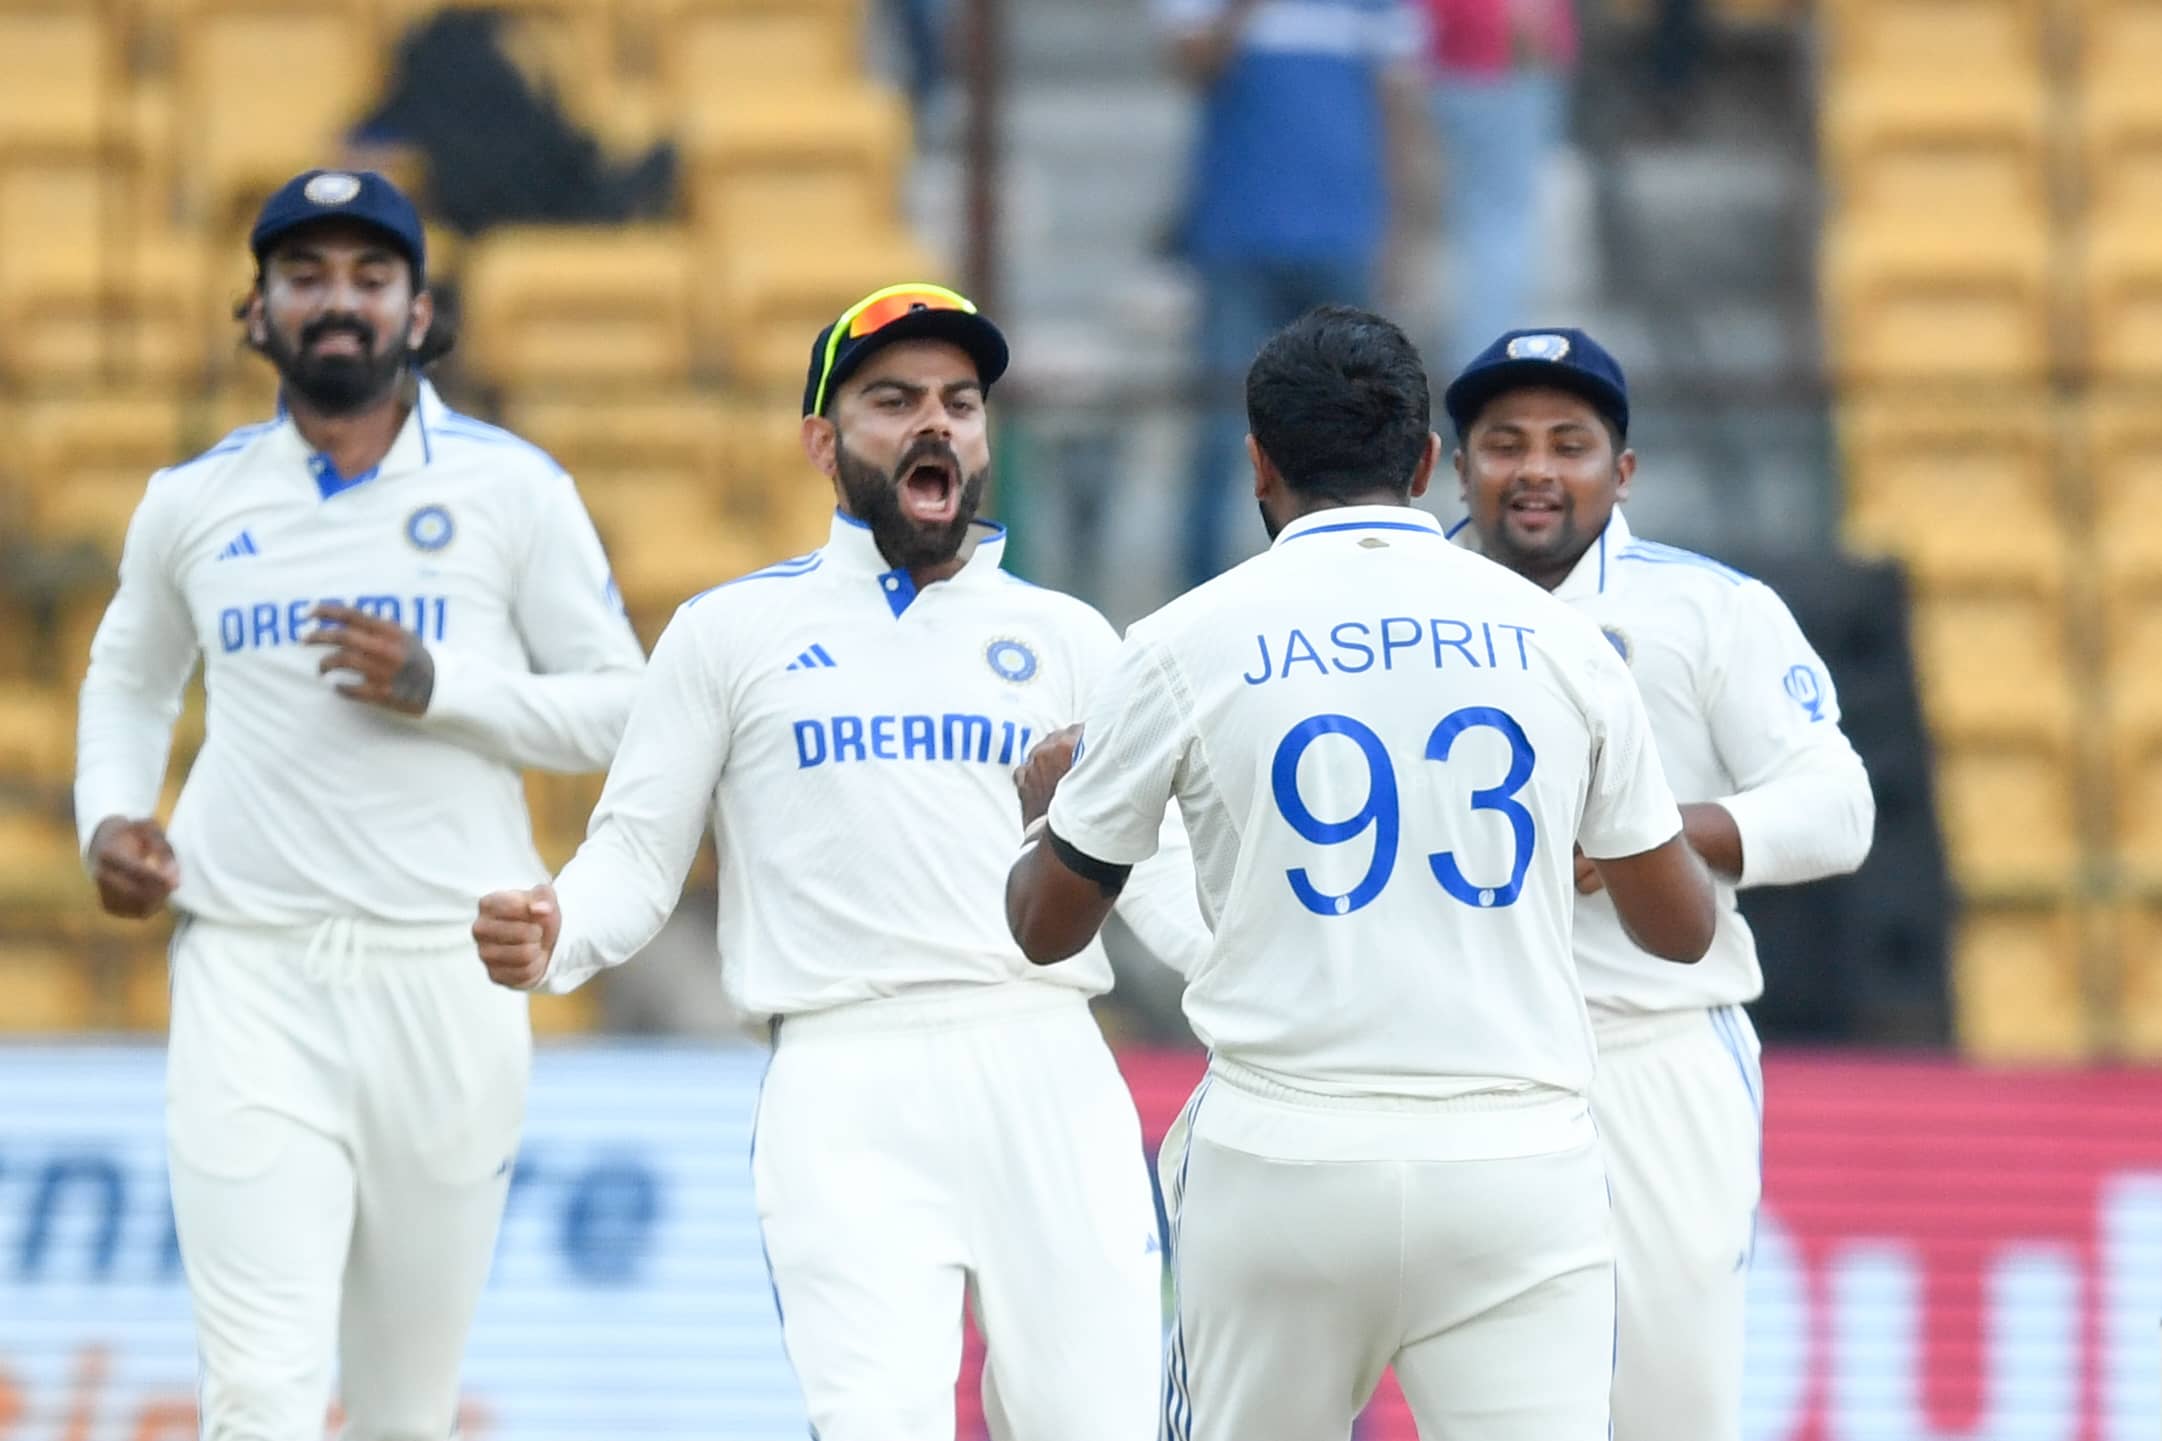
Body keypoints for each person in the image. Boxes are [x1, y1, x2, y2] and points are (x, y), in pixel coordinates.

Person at [469, 282, 1208, 1441]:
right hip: (842, 1074)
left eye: (960, 403)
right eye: (892, 401)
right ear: (823, 442)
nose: (936, 426)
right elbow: (632, 854)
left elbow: (1155, 873)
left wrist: (1277, 984)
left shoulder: (1070, 637)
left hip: (1047, 1064)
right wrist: (556, 928)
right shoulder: (731, 633)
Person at [1004, 304, 1718, 1440]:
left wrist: (1044, 816)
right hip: (1515, 1165)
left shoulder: (1181, 640)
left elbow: (1046, 929)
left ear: (1257, 463)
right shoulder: (1559, 639)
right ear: (1429, 462)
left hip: (1280, 1160)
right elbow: (1681, 931)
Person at [73, 169, 645, 1439]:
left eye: (369, 280)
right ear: (254, 312)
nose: (339, 304)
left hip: (445, 976)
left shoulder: (513, 490)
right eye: (307, 278)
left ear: (420, 313)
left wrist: (444, 686)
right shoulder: (193, 502)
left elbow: (625, 707)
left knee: (403, 1407)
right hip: (252, 970)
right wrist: (112, 820)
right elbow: (126, 685)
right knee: (261, 1394)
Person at [1444, 327, 1876, 1441]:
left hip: (1652, 1047)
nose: (1534, 468)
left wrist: (1655, 833)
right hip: (1455, 1056)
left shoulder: (1708, 610)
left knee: (1668, 1402)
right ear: (1457, 466)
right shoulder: (1408, 615)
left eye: (1568, 443)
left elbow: (1837, 807)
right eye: (1503, 443)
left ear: (1620, 472)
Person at [1158, 0, 1428, 588]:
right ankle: (1194, 597)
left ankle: (1363, 591)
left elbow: (1397, 100)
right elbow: (1192, 64)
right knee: (1217, 431)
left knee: (1360, 435)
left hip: (1343, 236)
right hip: (1237, 238)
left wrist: (1400, 231)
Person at [1421, 0, 1577, 371]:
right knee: (1499, 225)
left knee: (1471, 221)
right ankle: (1483, 362)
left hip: (1443, 54)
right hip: (1497, 60)